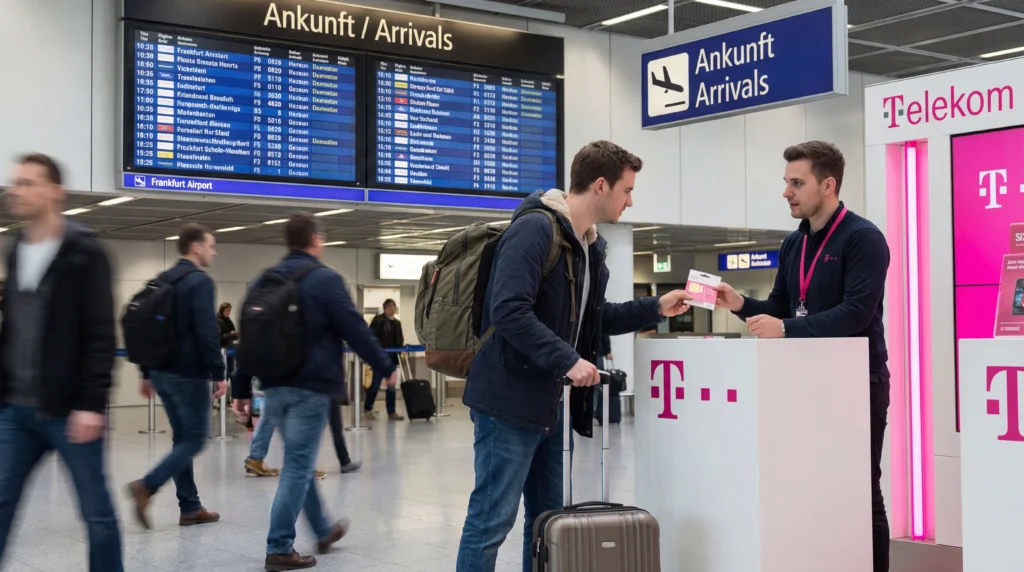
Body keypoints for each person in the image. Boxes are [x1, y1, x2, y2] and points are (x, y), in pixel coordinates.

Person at [456, 141, 694, 572]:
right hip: (506, 402)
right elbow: (508, 309)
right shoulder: (535, 229)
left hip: (549, 406)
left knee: (547, 522)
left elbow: (593, 317)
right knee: (490, 521)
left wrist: (655, 307)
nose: (631, 199)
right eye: (627, 189)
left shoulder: (588, 246)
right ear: (600, 185)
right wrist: (567, 360)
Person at [714, 140, 891, 572]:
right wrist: (740, 304)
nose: (786, 192)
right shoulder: (794, 243)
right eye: (786, 182)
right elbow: (779, 307)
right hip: (805, 385)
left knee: (860, 491)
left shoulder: (863, 238)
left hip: (857, 385)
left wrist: (787, 328)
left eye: (797, 182)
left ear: (828, 185)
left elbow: (855, 313)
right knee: (813, 489)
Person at [0, 153, 123, 572]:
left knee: (97, 514)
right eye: (17, 182)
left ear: (56, 192)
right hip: (16, 409)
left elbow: (101, 334)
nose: (17, 190)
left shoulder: (85, 253)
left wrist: (91, 402)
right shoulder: (16, 248)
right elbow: (14, 328)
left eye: (29, 182)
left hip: (70, 410)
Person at [257, 213, 398, 570]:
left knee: (298, 462)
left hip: (275, 384)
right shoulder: (325, 279)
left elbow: (251, 334)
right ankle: (278, 546)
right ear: (316, 240)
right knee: (297, 465)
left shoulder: (266, 279)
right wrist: (385, 367)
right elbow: (355, 329)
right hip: (310, 386)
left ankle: (322, 529)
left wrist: (243, 386)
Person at [127, 223, 226, 529]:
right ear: (195, 246)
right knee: (195, 439)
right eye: (210, 246)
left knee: (182, 438)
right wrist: (219, 372)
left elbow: (145, 327)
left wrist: (146, 372)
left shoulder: (162, 279)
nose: (214, 251)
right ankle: (147, 485)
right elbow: (207, 331)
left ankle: (190, 507)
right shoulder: (199, 281)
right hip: (187, 373)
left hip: (160, 372)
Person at [365, 299, 405, 421]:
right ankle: (367, 408)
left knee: (391, 387)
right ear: (385, 308)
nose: (392, 309)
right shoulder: (378, 321)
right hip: (379, 359)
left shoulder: (397, 323)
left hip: (392, 360)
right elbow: (371, 337)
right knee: (375, 385)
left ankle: (391, 412)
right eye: (390, 307)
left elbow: (400, 339)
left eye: (394, 307)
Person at [218, 302, 238, 382]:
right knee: (224, 373)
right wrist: (231, 334)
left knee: (231, 372)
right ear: (222, 310)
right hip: (223, 350)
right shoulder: (219, 321)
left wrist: (235, 334)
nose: (228, 312)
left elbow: (235, 336)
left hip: (230, 349)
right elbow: (220, 337)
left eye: (229, 310)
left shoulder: (229, 321)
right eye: (227, 310)